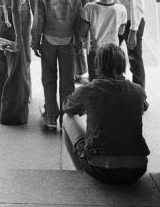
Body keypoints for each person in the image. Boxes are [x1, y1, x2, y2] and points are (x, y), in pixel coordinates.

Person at [62, 43, 150, 184]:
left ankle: (82, 170)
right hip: (137, 169)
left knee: (67, 118)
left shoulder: (88, 90)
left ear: (98, 66)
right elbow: (143, 107)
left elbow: (67, 107)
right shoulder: (137, 90)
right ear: (122, 64)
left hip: (100, 170)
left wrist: (88, 108)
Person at [31, 0, 83, 130]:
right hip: (67, 42)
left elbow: (37, 24)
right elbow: (79, 24)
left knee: (48, 79)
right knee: (67, 80)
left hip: (48, 42)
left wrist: (34, 42)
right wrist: (79, 42)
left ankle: (51, 116)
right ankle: (67, 119)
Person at [80, 0, 127, 81]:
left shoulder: (89, 8)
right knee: (112, 80)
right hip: (113, 51)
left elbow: (82, 32)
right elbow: (121, 31)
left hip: (95, 51)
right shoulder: (121, 9)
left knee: (95, 82)